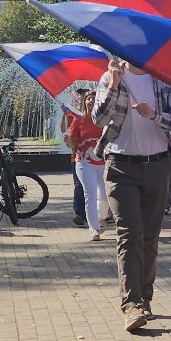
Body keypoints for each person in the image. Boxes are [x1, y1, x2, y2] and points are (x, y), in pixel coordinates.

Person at [91, 56, 171, 331]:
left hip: (157, 166)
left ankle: (145, 297)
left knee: (149, 238)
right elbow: (99, 118)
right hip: (121, 167)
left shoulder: (162, 80)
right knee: (129, 235)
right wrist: (113, 83)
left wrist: (154, 115)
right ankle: (130, 305)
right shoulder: (111, 78)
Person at [65, 91, 108, 241]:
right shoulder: (79, 120)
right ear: (85, 102)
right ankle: (94, 229)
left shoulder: (104, 120)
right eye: (89, 99)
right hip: (83, 162)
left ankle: (101, 219)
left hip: (103, 163)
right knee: (90, 194)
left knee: (104, 196)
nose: (91, 101)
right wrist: (69, 141)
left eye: (94, 99)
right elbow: (72, 142)